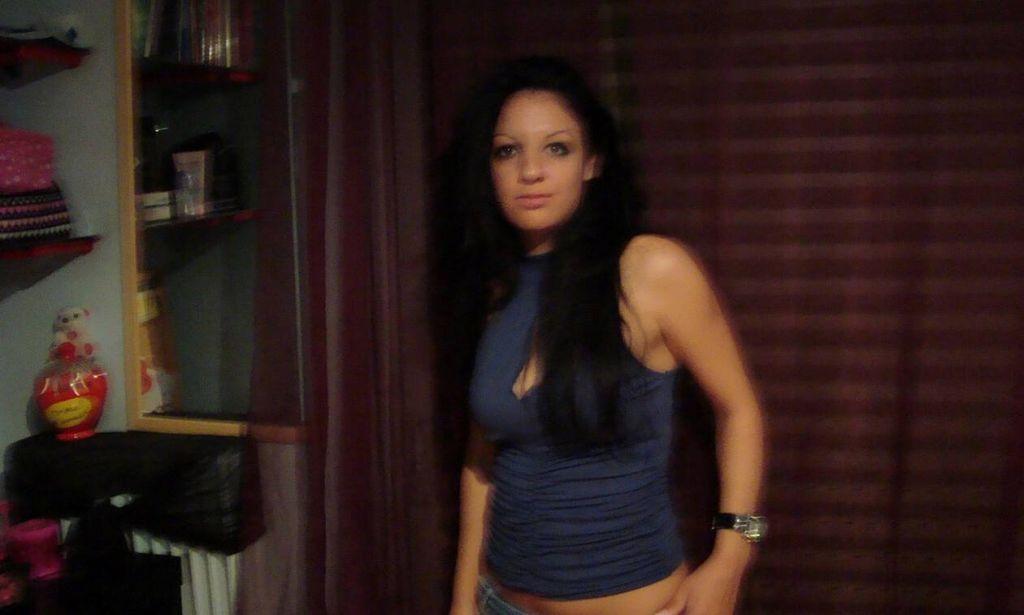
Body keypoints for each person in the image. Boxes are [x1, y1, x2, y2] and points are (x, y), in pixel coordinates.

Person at [438, 56, 766, 615]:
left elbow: (740, 410)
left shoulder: (650, 269)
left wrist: (733, 555)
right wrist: (463, 601)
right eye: (507, 151)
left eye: (557, 148)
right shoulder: (498, 289)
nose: (530, 171)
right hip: (499, 602)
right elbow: (482, 460)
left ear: (592, 162)